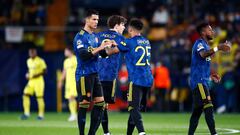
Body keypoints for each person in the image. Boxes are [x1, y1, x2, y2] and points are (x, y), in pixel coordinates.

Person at [105, 18, 153, 135]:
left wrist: (104, 49)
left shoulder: (129, 42)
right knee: (135, 110)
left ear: (130, 29)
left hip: (136, 79)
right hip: (148, 79)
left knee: (133, 108)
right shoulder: (147, 41)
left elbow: (112, 51)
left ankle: (142, 132)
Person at [73, 9, 111, 135]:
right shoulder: (80, 37)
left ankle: (91, 133)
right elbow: (84, 55)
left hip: (95, 74)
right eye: (94, 19)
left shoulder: (94, 37)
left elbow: (103, 54)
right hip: (84, 75)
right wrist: (101, 47)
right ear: (87, 20)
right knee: (84, 104)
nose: (96, 22)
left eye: (97, 20)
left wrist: (114, 48)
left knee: (100, 104)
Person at [188, 22, 231, 135]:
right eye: (210, 30)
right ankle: (214, 133)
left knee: (197, 112)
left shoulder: (206, 46)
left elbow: (202, 63)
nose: (213, 32)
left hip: (203, 80)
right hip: (199, 82)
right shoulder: (199, 43)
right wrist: (219, 47)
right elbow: (203, 55)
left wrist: (211, 75)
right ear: (203, 32)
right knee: (209, 106)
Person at [97, 15, 127, 135]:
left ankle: (104, 132)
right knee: (104, 104)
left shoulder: (98, 35)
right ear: (116, 25)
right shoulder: (120, 38)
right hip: (109, 75)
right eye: (122, 24)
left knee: (100, 103)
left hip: (97, 74)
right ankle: (105, 132)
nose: (124, 27)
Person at [20, 47, 47, 120]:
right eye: (30, 52)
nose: (31, 54)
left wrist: (35, 75)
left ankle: (41, 115)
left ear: (35, 53)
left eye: (33, 52)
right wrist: (27, 74)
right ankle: (26, 113)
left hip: (39, 81)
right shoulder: (28, 61)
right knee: (25, 95)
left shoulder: (40, 60)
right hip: (31, 81)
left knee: (39, 97)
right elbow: (30, 70)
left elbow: (45, 71)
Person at [58, 46, 78, 121]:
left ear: (70, 51)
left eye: (65, 51)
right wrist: (60, 81)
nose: (65, 52)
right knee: (69, 98)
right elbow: (64, 72)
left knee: (71, 97)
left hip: (74, 81)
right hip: (68, 83)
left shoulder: (76, 59)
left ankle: (74, 114)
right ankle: (73, 114)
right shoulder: (65, 61)